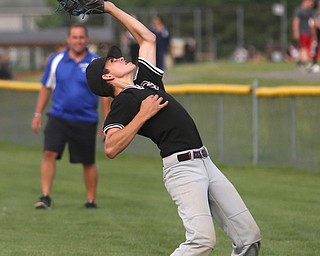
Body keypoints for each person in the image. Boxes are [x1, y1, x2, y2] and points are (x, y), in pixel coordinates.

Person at [86, 2, 261, 255]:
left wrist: (110, 8)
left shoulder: (145, 82)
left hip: (205, 162)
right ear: (107, 77)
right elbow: (111, 147)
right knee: (202, 241)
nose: (120, 57)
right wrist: (142, 116)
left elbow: (148, 38)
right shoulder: (123, 101)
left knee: (249, 238)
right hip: (182, 169)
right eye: (112, 61)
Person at [31, 23, 110, 209]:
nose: (78, 41)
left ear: (87, 39)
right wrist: (37, 113)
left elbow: (104, 93)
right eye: (74, 37)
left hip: (86, 119)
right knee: (49, 153)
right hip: (58, 117)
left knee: (88, 161)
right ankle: (45, 196)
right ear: (68, 39)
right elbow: (46, 87)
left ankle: (90, 200)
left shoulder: (96, 63)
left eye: (81, 37)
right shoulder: (56, 60)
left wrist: (107, 120)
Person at [292, 0, 315, 69]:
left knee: (306, 48)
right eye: (311, 2)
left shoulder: (310, 11)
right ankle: (306, 62)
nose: (312, 4)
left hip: (309, 32)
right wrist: (296, 32)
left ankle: (299, 63)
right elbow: (296, 21)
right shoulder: (299, 10)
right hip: (302, 31)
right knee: (303, 47)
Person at [310, 0, 320, 72]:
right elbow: (315, 23)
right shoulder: (315, 13)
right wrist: (314, 35)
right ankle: (314, 63)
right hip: (317, 32)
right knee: (316, 47)